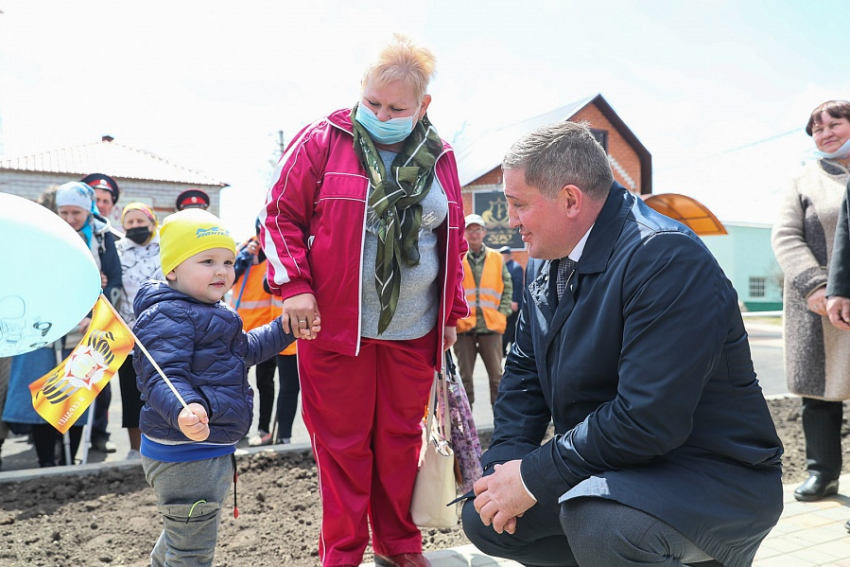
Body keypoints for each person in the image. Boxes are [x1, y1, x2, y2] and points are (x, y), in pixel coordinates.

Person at [461, 121, 784, 567]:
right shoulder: (548, 261)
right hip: (616, 468)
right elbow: (523, 376)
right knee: (485, 515)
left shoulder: (664, 259)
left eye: (518, 205)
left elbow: (648, 418)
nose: (511, 221)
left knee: (600, 525)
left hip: (709, 475)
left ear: (570, 199)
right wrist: (504, 469)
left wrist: (534, 476)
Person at [260, 33, 468, 567]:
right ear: (361, 90)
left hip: (414, 329)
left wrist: (451, 313)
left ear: (423, 106)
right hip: (333, 328)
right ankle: (344, 553)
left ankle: (400, 545)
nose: (380, 113)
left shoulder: (441, 156)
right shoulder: (322, 141)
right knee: (343, 449)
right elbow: (278, 216)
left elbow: (454, 239)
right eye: (372, 102)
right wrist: (296, 288)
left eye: (396, 107)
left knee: (400, 443)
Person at [132, 208, 309, 567]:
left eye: (228, 261)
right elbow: (162, 374)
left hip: (204, 447)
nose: (222, 271)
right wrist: (185, 407)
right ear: (172, 269)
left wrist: (285, 328)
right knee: (192, 550)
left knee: (183, 534)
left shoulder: (211, 309)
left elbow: (245, 350)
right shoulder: (170, 314)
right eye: (207, 260)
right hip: (185, 450)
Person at [773, 100, 850, 504]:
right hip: (819, 305)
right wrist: (816, 287)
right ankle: (823, 474)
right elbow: (785, 236)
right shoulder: (803, 180)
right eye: (816, 130)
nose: (825, 134)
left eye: (834, 124)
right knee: (819, 395)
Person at [58, 181, 122, 455]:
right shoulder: (55, 233)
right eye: (64, 213)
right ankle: (65, 441)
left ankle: (97, 433)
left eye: (76, 213)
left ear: (88, 211)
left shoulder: (104, 237)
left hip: (95, 320)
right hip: (61, 320)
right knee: (65, 383)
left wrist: (96, 316)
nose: (70, 220)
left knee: (97, 381)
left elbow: (113, 280)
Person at [231, 219, 295, 447]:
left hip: (270, 333)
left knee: (265, 383)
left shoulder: (281, 250)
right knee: (237, 383)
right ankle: (238, 429)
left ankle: (264, 430)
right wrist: (243, 259)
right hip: (242, 330)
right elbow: (229, 278)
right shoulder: (243, 250)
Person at [116, 202, 163, 459]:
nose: (136, 226)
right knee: (132, 392)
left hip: (164, 332)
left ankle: (166, 442)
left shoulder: (165, 247)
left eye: (140, 221)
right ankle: (136, 449)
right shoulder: (117, 251)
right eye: (130, 222)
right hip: (129, 333)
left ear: (152, 222)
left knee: (162, 389)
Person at [453, 215, 512, 408]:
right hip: (464, 329)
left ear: (484, 232)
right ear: (465, 233)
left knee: (497, 378)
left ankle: (501, 428)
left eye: (478, 229)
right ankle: (466, 432)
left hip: (491, 326)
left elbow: (507, 287)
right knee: (464, 381)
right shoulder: (457, 256)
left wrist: (501, 313)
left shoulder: (496, 257)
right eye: (470, 230)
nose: (474, 233)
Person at [499, 245, 524, 357]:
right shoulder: (503, 266)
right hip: (505, 302)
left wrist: (515, 301)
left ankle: (504, 350)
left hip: (513, 303)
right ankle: (508, 350)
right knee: (509, 328)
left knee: (510, 327)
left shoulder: (515, 267)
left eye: (502, 254)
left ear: (507, 255)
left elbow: (518, 285)